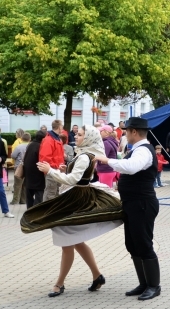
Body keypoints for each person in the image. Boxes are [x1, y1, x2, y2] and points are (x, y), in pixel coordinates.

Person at [22, 125, 124, 297]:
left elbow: (73, 179)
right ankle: (96, 275)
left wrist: (51, 171)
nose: (76, 136)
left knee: (68, 242)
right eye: (77, 134)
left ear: (89, 137)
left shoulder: (85, 156)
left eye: (80, 134)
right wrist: (64, 169)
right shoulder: (85, 153)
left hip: (74, 201)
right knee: (75, 241)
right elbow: (78, 176)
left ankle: (59, 283)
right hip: (74, 198)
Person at [93, 117, 162, 301]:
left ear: (133, 132)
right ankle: (144, 283)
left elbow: (131, 168)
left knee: (144, 244)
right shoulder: (137, 150)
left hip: (142, 204)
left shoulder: (144, 151)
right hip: (133, 203)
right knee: (132, 245)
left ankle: (154, 286)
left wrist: (107, 160)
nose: (124, 133)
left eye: (126, 131)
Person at [40, 120, 65, 202]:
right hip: (52, 170)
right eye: (62, 126)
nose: (63, 128)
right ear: (59, 127)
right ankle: (46, 213)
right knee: (50, 195)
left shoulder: (56, 139)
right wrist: (56, 167)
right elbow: (45, 158)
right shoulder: (49, 140)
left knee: (57, 193)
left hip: (56, 170)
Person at [23, 132, 47, 208]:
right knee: (39, 195)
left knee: (29, 195)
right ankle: (35, 212)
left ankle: (29, 211)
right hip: (37, 175)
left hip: (28, 174)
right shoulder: (40, 146)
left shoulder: (30, 145)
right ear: (43, 139)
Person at [10, 133, 30, 205]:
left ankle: (15, 201)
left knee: (17, 185)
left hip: (19, 167)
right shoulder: (30, 146)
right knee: (25, 185)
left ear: (21, 139)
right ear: (29, 139)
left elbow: (13, 156)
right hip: (28, 167)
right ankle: (23, 200)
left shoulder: (19, 147)